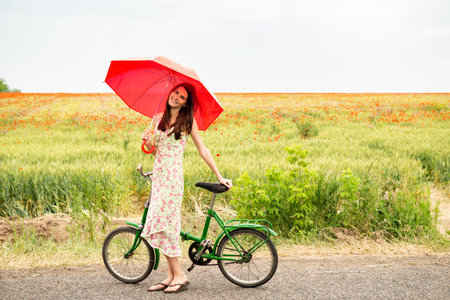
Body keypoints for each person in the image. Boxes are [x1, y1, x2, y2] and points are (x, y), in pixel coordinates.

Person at [140, 83, 232, 293]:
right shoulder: (158, 119)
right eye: (176, 93)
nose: (177, 97)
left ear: (185, 103)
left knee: (167, 224)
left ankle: (180, 275)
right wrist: (147, 141)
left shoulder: (188, 122)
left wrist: (220, 176)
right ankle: (171, 275)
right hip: (159, 176)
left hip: (172, 179)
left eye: (182, 97)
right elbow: (154, 151)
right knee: (161, 224)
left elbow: (203, 150)